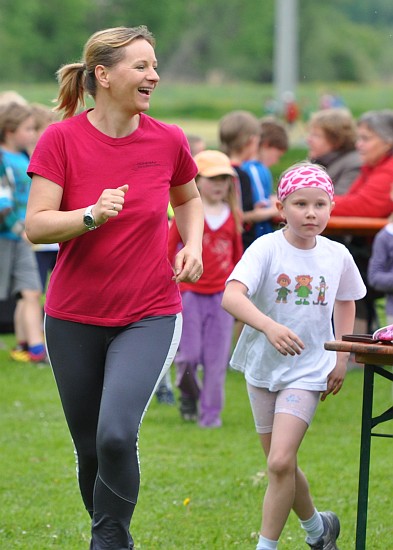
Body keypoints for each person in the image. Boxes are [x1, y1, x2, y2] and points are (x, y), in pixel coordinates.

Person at [25, 25, 204, 550]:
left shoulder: (168, 138)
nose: (154, 76)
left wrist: (189, 243)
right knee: (90, 448)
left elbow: (189, 199)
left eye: (154, 66)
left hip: (148, 313)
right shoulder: (60, 140)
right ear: (102, 76)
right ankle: (117, 541)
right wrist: (88, 215)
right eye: (141, 66)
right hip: (73, 316)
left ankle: (106, 542)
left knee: (116, 434)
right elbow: (35, 224)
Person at [222, 162, 366, 550]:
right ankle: (319, 531)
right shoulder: (266, 247)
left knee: (281, 461)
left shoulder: (337, 255)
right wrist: (269, 327)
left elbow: (346, 301)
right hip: (262, 367)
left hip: (309, 368)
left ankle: (265, 546)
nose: (311, 213)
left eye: (320, 204)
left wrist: (341, 356)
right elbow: (231, 296)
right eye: (300, 204)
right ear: (281, 207)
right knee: (280, 464)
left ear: (331, 207)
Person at [168, 149, 243, 427]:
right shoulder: (186, 214)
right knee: (188, 358)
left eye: (224, 179)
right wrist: (169, 279)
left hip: (222, 298)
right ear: (197, 180)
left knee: (215, 361)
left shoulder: (232, 215)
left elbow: (237, 257)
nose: (219, 185)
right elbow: (167, 248)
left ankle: (210, 416)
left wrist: (239, 289)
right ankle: (189, 394)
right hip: (189, 294)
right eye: (212, 179)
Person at [332, 109, 393, 333]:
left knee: (344, 263)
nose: (359, 145)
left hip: (382, 257)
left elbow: (364, 207)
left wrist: (312, 202)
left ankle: (352, 342)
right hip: (375, 249)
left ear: (388, 141)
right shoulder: (374, 167)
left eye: (366, 138)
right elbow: (352, 202)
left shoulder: (389, 169)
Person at [0, 101, 47, 364]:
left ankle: (36, 350)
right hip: (8, 236)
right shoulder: (1, 160)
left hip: (21, 238)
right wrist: (22, 231)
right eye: (27, 129)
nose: (32, 134)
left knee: (31, 291)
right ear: (9, 130)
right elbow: (3, 204)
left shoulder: (25, 158)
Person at [219, 110, 276, 250]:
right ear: (252, 140)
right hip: (240, 245)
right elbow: (240, 216)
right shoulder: (240, 175)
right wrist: (277, 210)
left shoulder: (218, 169)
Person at [242, 116, 288, 238]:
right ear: (266, 145)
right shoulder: (255, 169)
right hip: (256, 235)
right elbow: (260, 208)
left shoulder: (248, 167)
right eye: (277, 155)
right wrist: (284, 207)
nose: (276, 161)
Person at [307, 107, 361, 195]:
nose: (308, 139)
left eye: (316, 135)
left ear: (336, 140)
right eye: (310, 133)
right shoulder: (320, 161)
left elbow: (338, 201)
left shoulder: (353, 165)